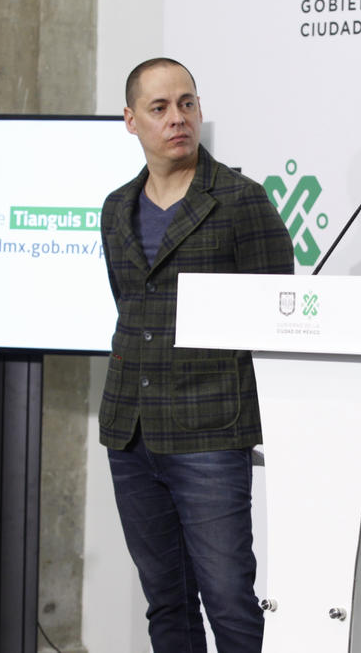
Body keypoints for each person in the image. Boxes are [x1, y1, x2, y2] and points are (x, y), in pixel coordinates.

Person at [99, 57, 294, 653]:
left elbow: (277, 309)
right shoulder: (116, 208)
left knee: (230, 603)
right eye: (159, 108)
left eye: (187, 103)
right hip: (131, 430)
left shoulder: (240, 200)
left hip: (211, 428)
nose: (177, 118)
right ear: (131, 120)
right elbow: (131, 307)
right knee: (166, 601)